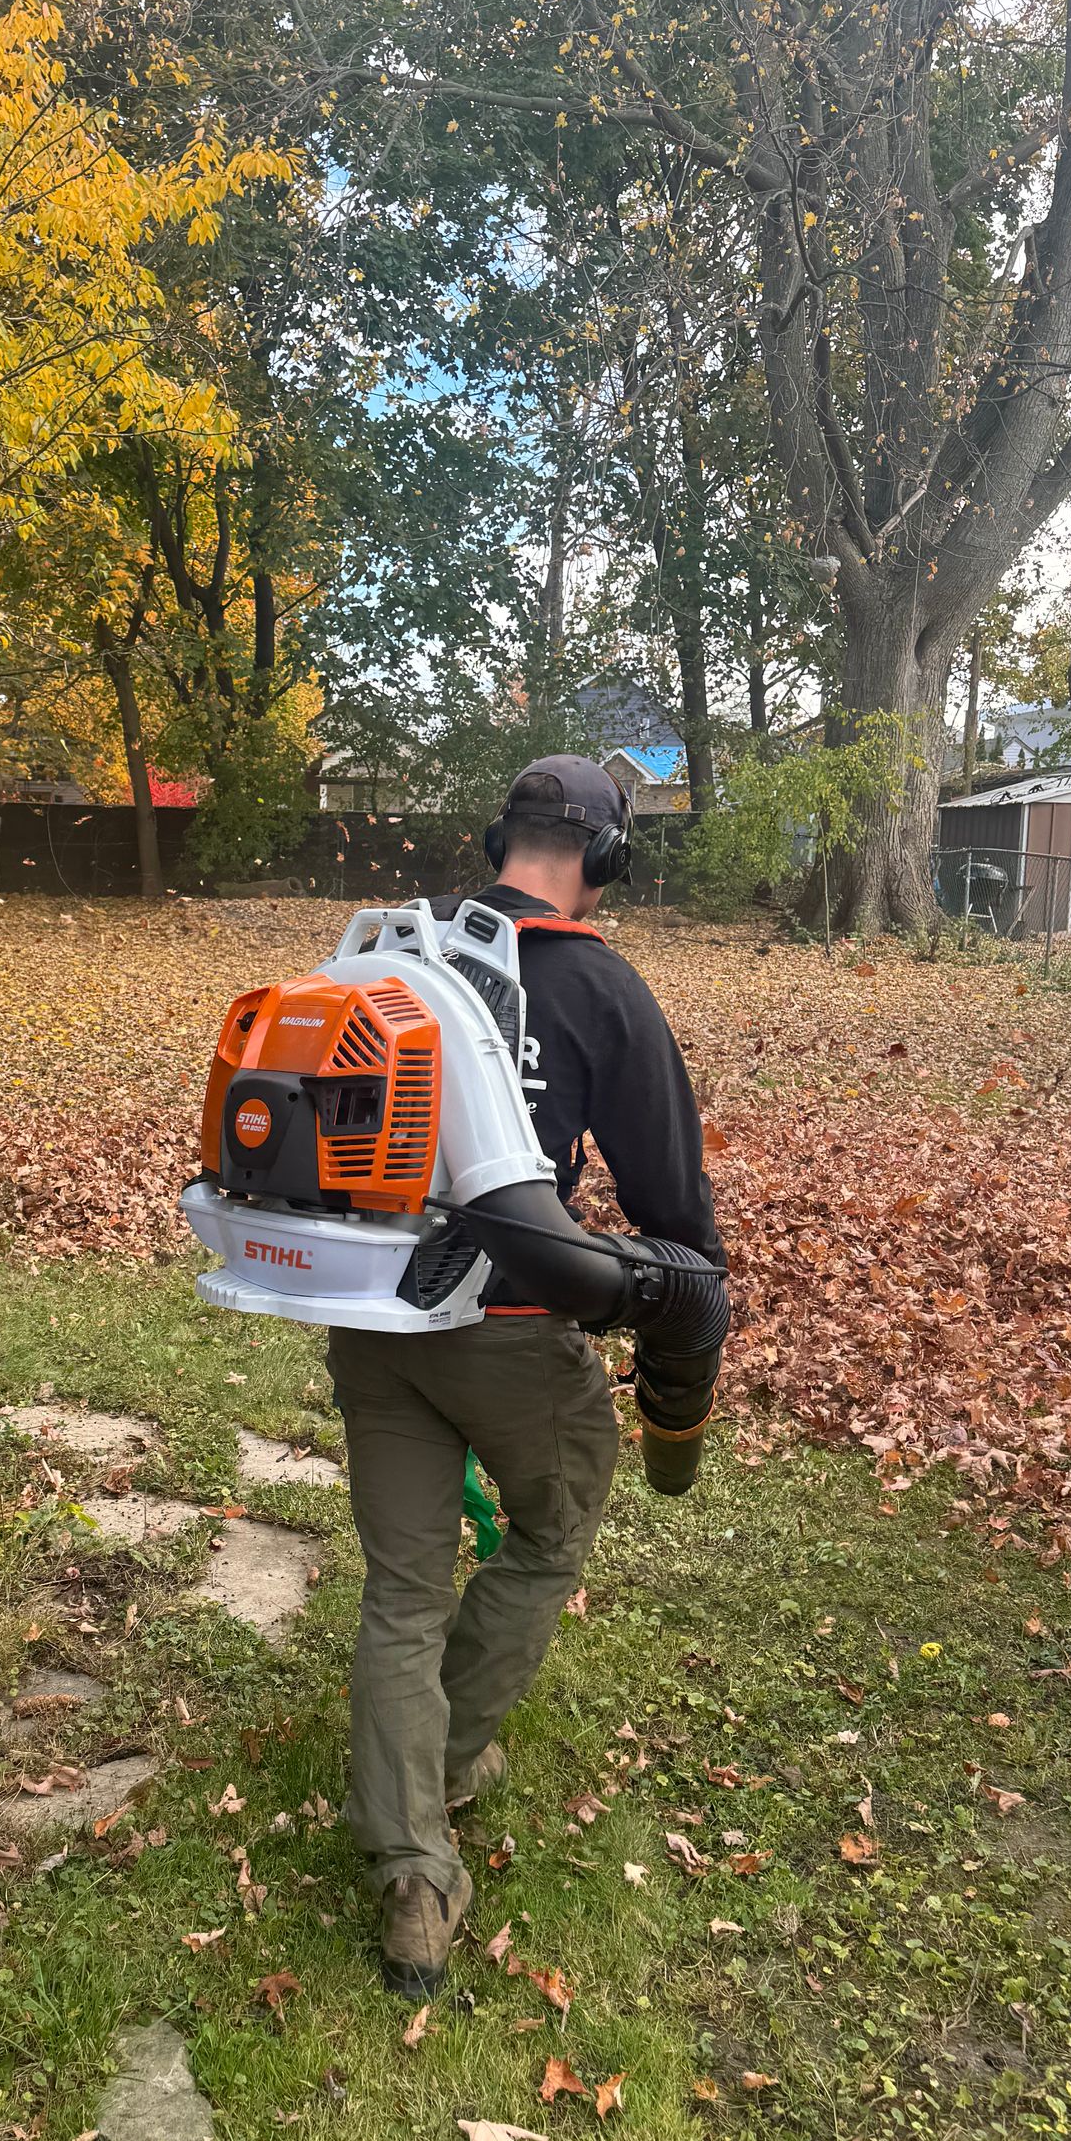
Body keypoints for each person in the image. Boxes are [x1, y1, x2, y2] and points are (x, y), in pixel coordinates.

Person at [326, 755, 725, 1992]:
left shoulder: (390, 957)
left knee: (401, 1588)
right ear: (605, 862)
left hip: (367, 1318)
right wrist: (678, 1305)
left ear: (500, 839)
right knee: (550, 1533)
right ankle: (437, 1767)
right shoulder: (605, 989)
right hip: (511, 1324)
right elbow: (671, 1213)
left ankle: (411, 1875)